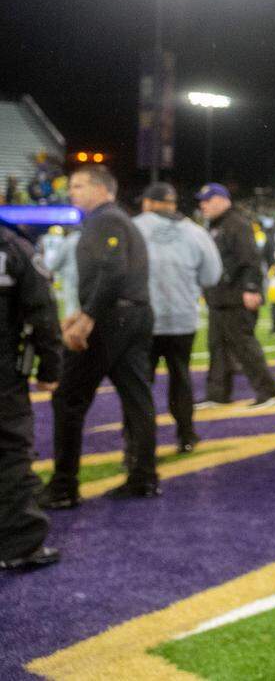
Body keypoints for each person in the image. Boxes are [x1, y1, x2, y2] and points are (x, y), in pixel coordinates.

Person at [39, 165, 161, 507]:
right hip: (133, 314)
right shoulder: (118, 219)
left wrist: (88, 316)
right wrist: (85, 311)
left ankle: (63, 487)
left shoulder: (105, 220)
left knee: (68, 398)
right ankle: (143, 477)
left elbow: (113, 270)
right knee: (137, 399)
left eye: (79, 185)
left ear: (102, 188)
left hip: (113, 319)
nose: (72, 192)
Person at [134, 182, 222, 453]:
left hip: (143, 318)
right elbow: (211, 276)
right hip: (182, 317)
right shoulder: (195, 232)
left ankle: (137, 445)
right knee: (181, 378)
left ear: (148, 203)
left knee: (138, 385)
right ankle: (186, 435)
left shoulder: (134, 227)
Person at [0, 222, 63, 569]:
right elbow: (42, 312)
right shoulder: (13, 246)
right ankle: (18, 546)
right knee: (10, 452)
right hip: (3, 377)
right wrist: (51, 368)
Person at [195, 183, 275, 410]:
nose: (202, 205)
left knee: (244, 346)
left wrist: (251, 289)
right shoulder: (216, 225)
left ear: (223, 200)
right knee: (217, 346)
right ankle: (218, 393)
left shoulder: (237, 224)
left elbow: (250, 259)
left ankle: (268, 391)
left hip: (235, 296)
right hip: (219, 297)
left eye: (207, 200)